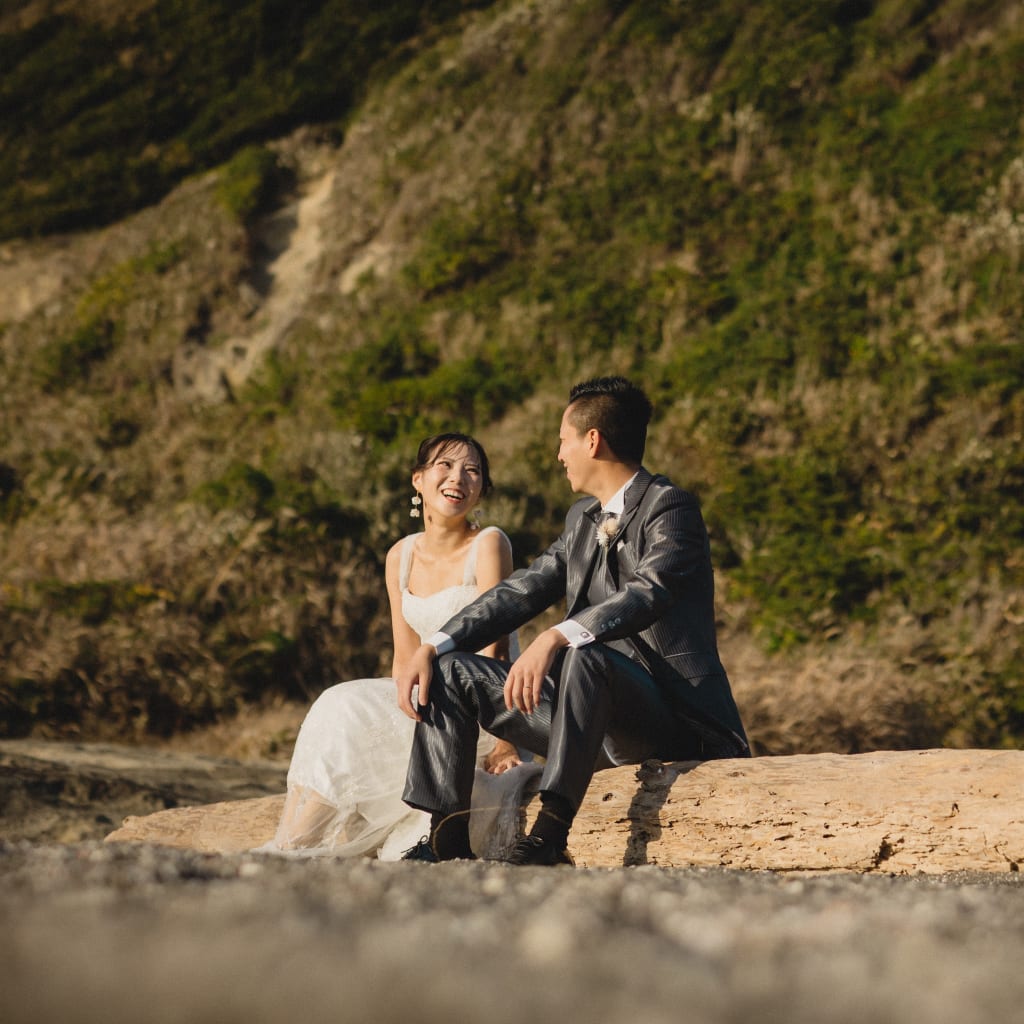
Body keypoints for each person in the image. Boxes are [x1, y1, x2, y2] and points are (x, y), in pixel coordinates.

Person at [395, 376, 750, 865]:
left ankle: (549, 835)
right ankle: (446, 837)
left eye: (563, 441)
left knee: (585, 656)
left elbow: (649, 592)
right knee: (453, 671)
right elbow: (521, 590)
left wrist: (557, 635)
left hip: (672, 720)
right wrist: (434, 646)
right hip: (585, 719)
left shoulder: (671, 507)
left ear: (592, 440)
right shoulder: (582, 519)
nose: (559, 454)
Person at [269, 432, 539, 859]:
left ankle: (306, 844)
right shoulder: (400, 555)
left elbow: (497, 647)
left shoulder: (489, 543)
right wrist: (403, 712)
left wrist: (503, 741)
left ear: (482, 490)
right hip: (426, 701)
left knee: (349, 710)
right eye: (444, 466)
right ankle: (297, 842)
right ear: (418, 480)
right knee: (340, 703)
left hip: (486, 708)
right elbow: (404, 656)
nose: (458, 478)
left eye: (472, 471)